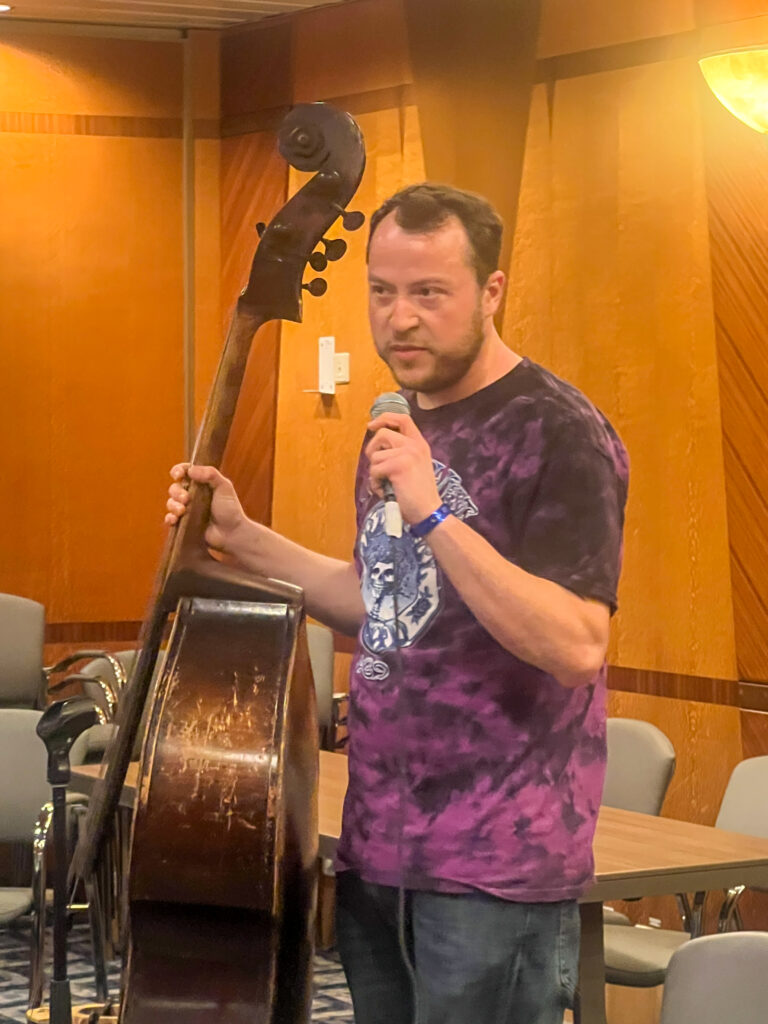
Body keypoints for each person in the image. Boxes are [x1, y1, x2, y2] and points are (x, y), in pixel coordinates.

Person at [165, 183, 629, 1024]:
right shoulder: (397, 430)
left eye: (429, 293)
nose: (400, 318)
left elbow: (574, 645)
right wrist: (241, 533)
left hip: (497, 865)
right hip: (380, 848)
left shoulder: (558, 432)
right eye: (382, 291)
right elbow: (380, 601)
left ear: (491, 293)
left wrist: (432, 510)